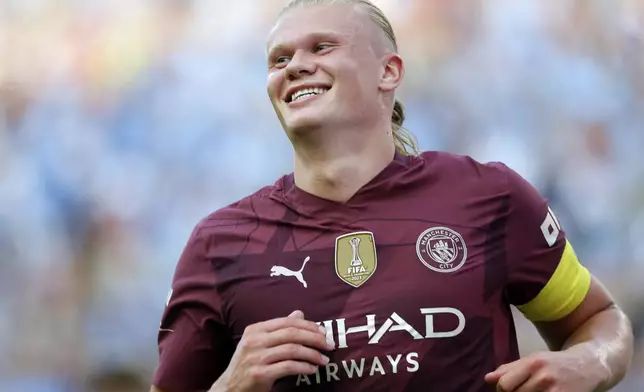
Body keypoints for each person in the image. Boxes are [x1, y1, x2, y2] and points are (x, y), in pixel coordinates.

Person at [150, 0, 634, 391]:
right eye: (280, 58)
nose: (296, 66)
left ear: (389, 71)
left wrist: (590, 362)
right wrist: (229, 388)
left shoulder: (488, 196)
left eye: (321, 47)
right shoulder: (219, 244)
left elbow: (599, 319)